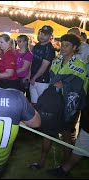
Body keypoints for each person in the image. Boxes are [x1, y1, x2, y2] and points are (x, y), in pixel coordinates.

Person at [29, 33, 88, 170]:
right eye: (62, 45)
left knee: (67, 135)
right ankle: (42, 162)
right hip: (54, 105)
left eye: (67, 45)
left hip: (69, 107)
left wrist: (64, 86)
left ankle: (64, 166)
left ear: (74, 47)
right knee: (48, 132)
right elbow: (52, 82)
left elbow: (80, 90)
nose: (63, 48)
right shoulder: (56, 61)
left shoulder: (80, 66)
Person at [29, 25, 56, 106]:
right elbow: (31, 61)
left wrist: (34, 77)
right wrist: (30, 75)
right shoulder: (37, 45)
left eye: (45, 35)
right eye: (41, 33)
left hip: (43, 80)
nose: (42, 36)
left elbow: (44, 66)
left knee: (42, 104)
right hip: (33, 79)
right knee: (34, 103)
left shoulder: (50, 49)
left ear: (50, 36)